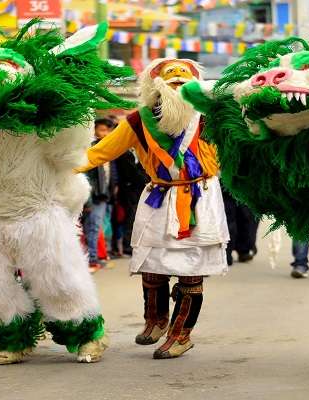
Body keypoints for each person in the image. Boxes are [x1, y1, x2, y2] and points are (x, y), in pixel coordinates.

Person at [78, 58, 229, 359]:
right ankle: (156, 319)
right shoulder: (138, 120)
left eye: (183, 86)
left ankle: (181, 333)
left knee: (191, 269)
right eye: (171, 85)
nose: (176, 89)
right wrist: (55, 168)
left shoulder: (212, 118)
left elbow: (242, 150)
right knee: (152, 265)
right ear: (156, 89)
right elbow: (99, 152)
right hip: (159, 197)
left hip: (200, 196)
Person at [83, 118, 117, 273]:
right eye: (101, 130)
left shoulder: (110, 148)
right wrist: (88, 200)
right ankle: (92, 260)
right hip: (93, 195)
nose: (104, 133)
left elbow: (112, 173)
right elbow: (87, 174)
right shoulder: (91, 148)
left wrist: (112, 190)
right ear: (94, 130)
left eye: (107, 130)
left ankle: (94, 258)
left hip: (104, 195)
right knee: (93, 228)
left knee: (97, 228)